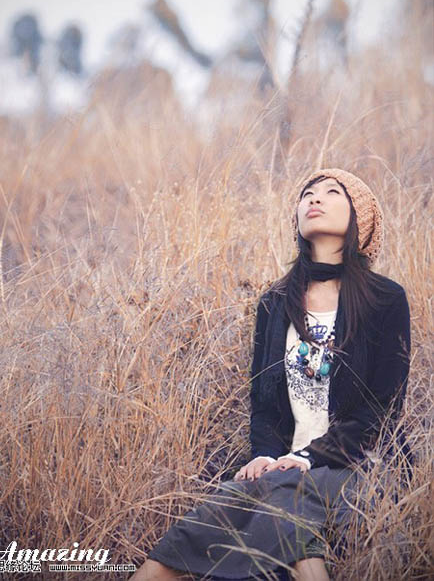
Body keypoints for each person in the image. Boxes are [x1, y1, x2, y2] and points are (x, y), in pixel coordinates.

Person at [131, 168, 411, 581]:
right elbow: (264, 403)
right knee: (214, 512)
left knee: (283, 494)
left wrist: (307, 458)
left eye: (332, 192)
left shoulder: (385, 299)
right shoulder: (275, 301)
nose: (314, 199)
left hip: (358, 467)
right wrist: (265, 454)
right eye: (307, 194)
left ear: (360, 217)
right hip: (286, 468)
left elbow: (382, 410)